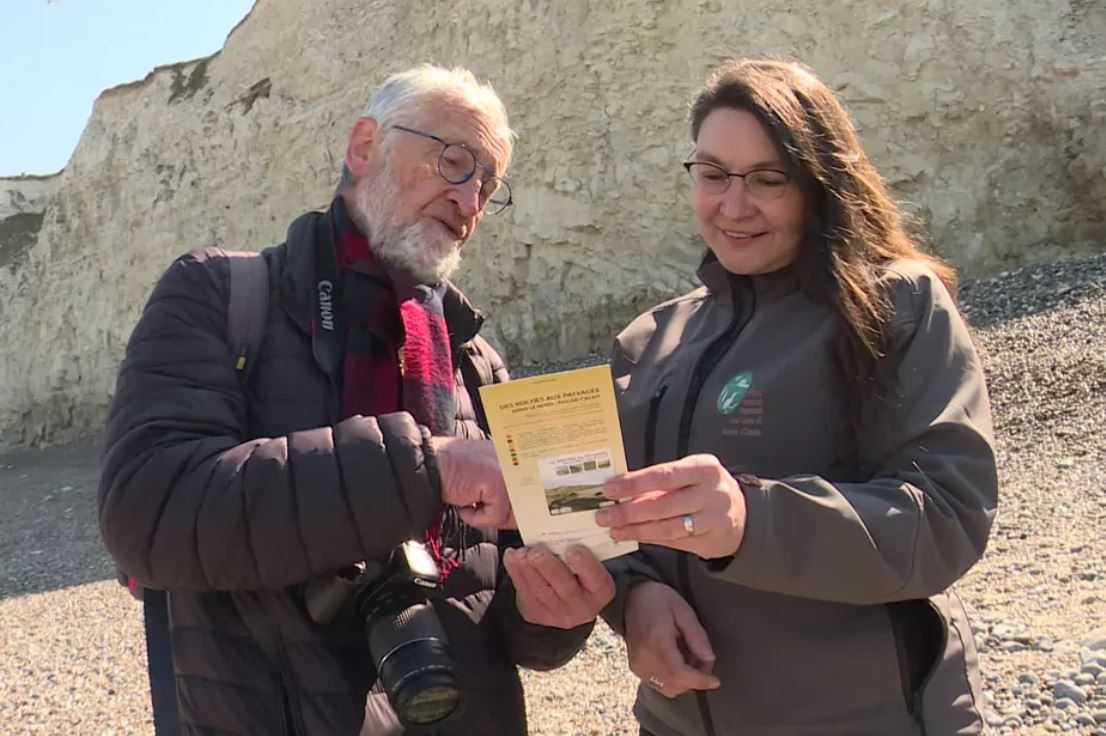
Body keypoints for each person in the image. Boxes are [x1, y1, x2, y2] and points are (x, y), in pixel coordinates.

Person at [98, 65, 610, 736]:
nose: (470, 203)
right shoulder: (218, 295)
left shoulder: (475, 362)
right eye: (456, 163)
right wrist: (431, 468)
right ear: (365, 146)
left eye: (488, 186)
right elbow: (147, 509)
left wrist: (553, 614)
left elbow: (503, 611)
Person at [589, 58, 998, 735]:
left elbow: (946, 518)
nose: (733, 206)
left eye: (768, 179)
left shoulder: (895, 305)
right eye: (713, 174)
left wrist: (751, 520)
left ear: (819, 182)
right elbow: (607, 521)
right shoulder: (648, 340)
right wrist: (633, 599)